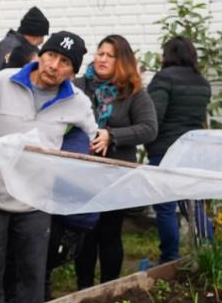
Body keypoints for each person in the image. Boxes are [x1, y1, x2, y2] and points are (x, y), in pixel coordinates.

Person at [0, 31, 98, 303]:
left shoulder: (78, 102)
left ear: (73, 71)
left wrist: (106, 137)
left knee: (31, 271)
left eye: (64, 62)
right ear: (40, 55)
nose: (54, 66)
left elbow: (93, 137)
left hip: (36, 201)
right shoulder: (1, 83)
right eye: (50, 56)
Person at [72, 35, 157, 288]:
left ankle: (109, 289)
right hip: (80, 172)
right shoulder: (78, 87)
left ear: (123, 62)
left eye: (110, 55)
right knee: (85, 233)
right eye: (100, 53)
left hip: (115, 174)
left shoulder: (133, 93)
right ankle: (82, 289)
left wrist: (113, 135)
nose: (102, 59)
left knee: (109, 233)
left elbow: (149, 129)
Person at [146, 37, 213, 262]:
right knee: (193, 203)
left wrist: (150, 144)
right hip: (193, 152)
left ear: (168, 56)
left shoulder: (164, 79)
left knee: (165, 207)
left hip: (166, 151)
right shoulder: (202, 83)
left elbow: (154, 117)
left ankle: (169, 257)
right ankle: (207, 252)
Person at [0, 7, 49, 73]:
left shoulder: (30, 48)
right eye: (42, 36)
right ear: (34, 33)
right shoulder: (9, 47)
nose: (42, 41)